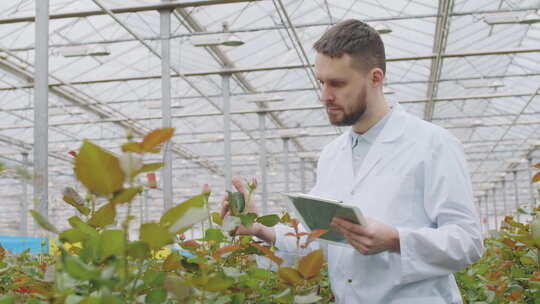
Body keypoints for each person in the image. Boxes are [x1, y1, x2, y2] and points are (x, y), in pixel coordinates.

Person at [221, 19, 483, 304]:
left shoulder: (432, 144)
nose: (324, 96)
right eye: (321, 82)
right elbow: (320, 238)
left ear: (375, 78)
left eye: (337, 83)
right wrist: (259, 228)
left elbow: (468, 242)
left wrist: (396, 239)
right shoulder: (333, 155)